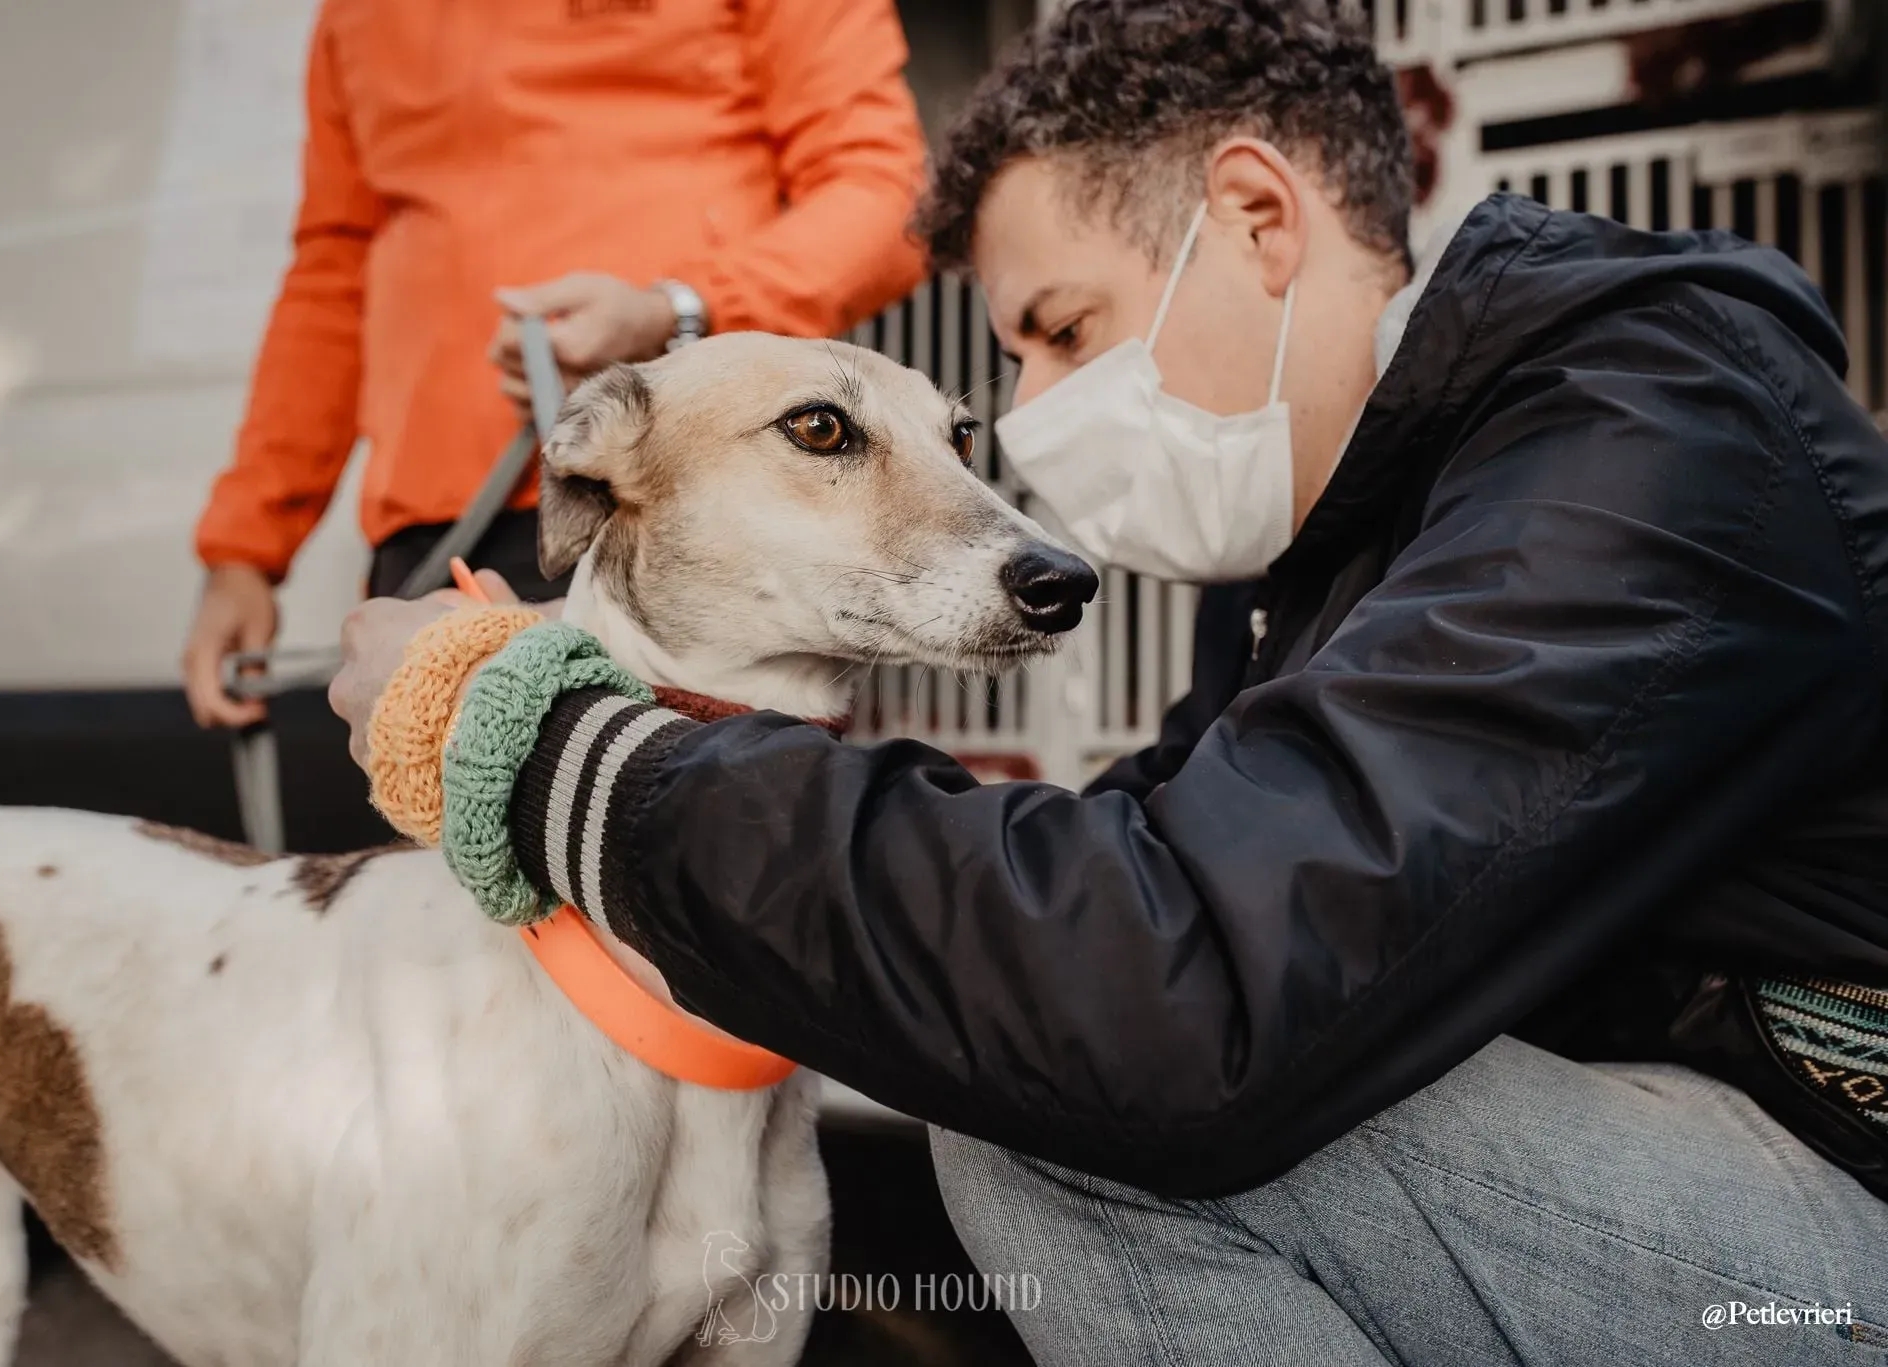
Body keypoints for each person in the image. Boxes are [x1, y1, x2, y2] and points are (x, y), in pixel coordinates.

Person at [330, 1, 1888, 1361]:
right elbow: (1110, 890)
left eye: (1063, 331)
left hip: (1841, 1236)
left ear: (1259, 216)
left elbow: (1157, 991)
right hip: (1727, 1162)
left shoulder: (1649, 442)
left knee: (1076, 1120)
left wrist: (549, 743)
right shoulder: (1333, 551)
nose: (1029, 423)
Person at [181, 0, 927, 728]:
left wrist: (677, 310)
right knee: (436, 848)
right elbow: (334, 271)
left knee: (685, 832)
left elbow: (884, 191)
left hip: (665, 514)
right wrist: (245, 553)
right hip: (441, 533)